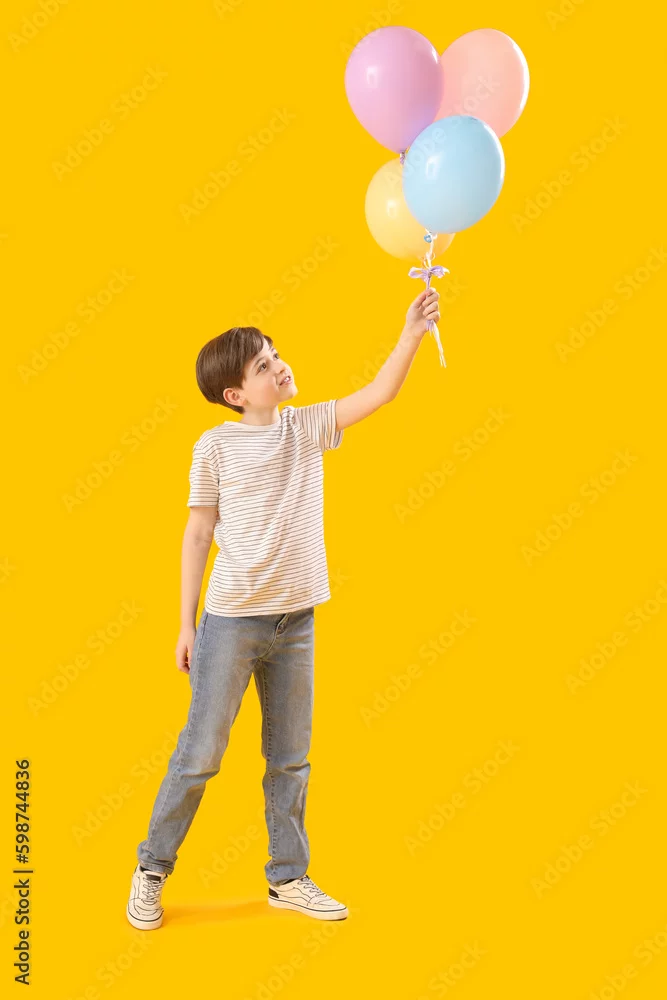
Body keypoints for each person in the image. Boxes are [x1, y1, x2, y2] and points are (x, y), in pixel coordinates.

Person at [126, 286, 441, 930]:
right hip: (231, 623)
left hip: (296, 622)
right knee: (201, 753)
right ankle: (151, 869)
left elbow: (380, 393)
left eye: (276, 355)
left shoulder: (305, 427)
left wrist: (411, 332)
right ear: (235, 395)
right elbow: (197, 533)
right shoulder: (214, 447)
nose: (280, 366)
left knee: (291, 757)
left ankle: (288, 878)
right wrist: (185, 624)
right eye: (263, 366)